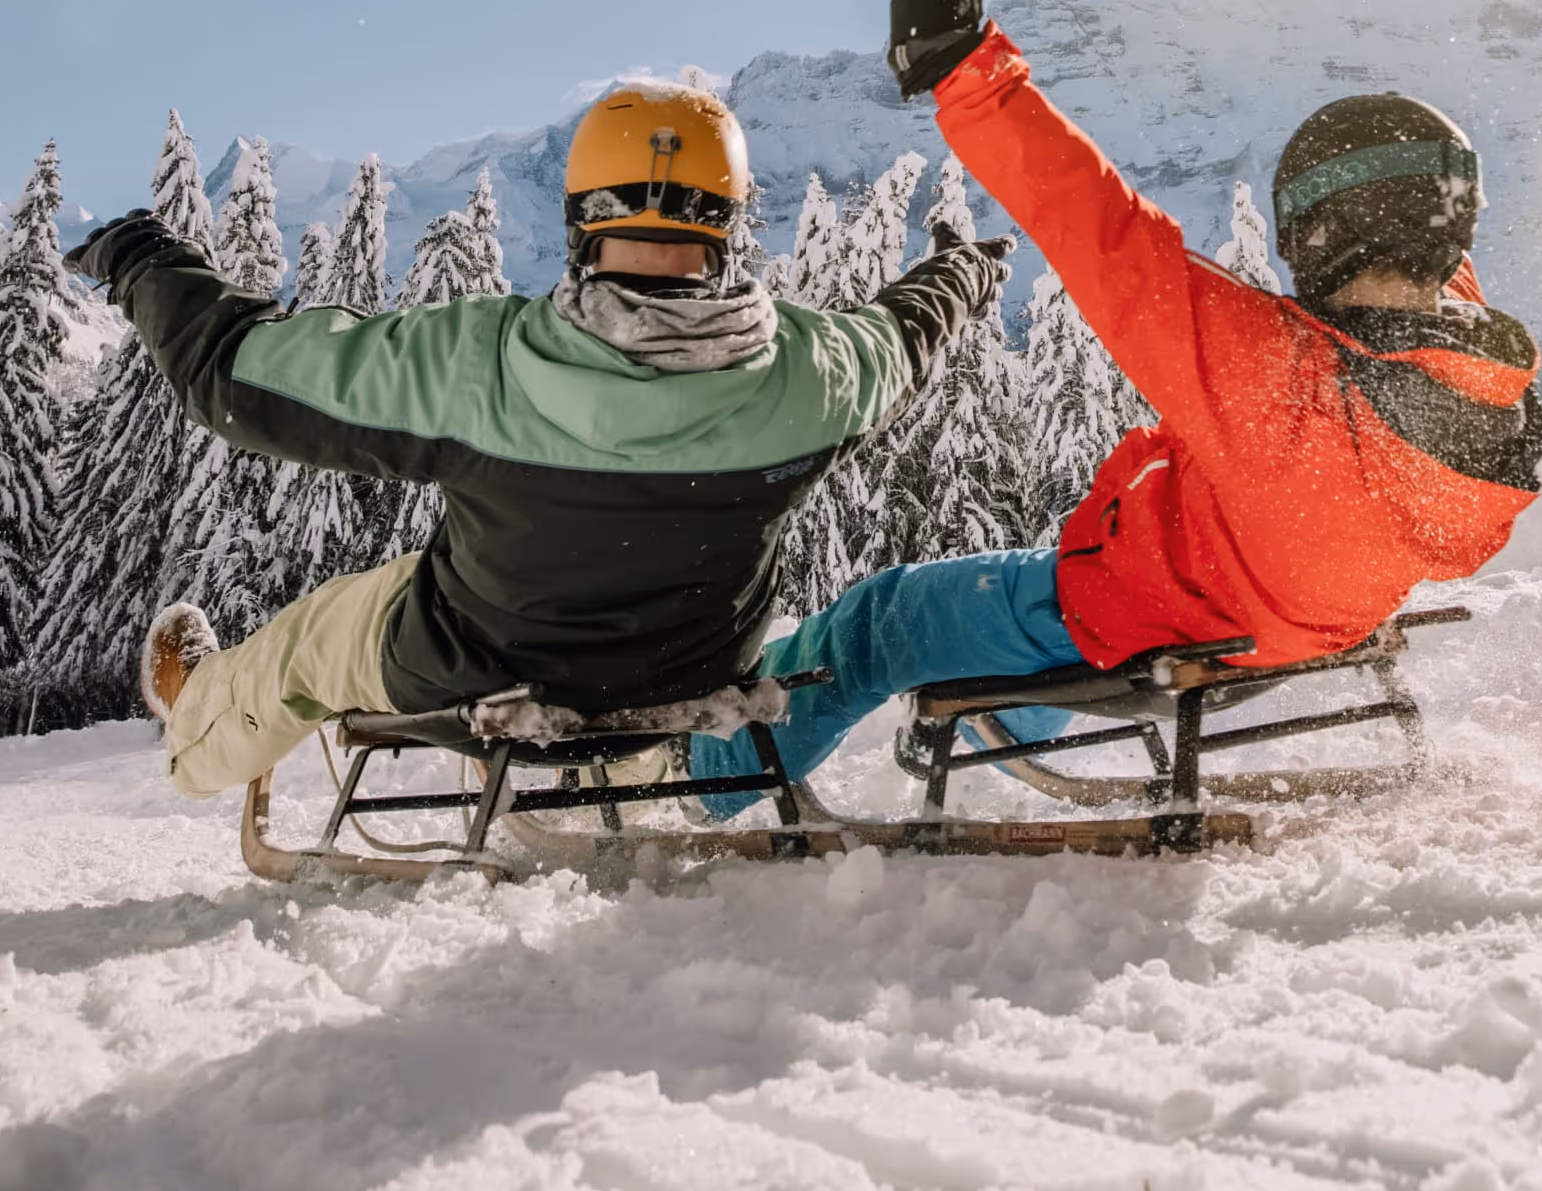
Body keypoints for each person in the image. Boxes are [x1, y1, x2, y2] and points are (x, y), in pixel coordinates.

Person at [693, 0, 1542, 803]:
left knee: (876, 618)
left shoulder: (1274, 378)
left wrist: (957, 55)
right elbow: (1422, 261)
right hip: (1314, 614)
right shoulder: (1484, 384)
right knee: (1057, 575)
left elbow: (1097, 226)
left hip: (1160, 608)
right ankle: (1002, 719)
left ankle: (706, 776)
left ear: (1311, 231)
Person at [71, 80, 1007, 800]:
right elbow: (906, 333)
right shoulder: (814, 373)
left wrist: (144, 259)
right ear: (728, 222)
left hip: (485, 666)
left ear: (580, 216)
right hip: (702, 671)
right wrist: (958, 271)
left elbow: (232, 373)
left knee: (321, 633)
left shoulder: (477, 362)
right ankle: (628, 784)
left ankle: (196, 723)